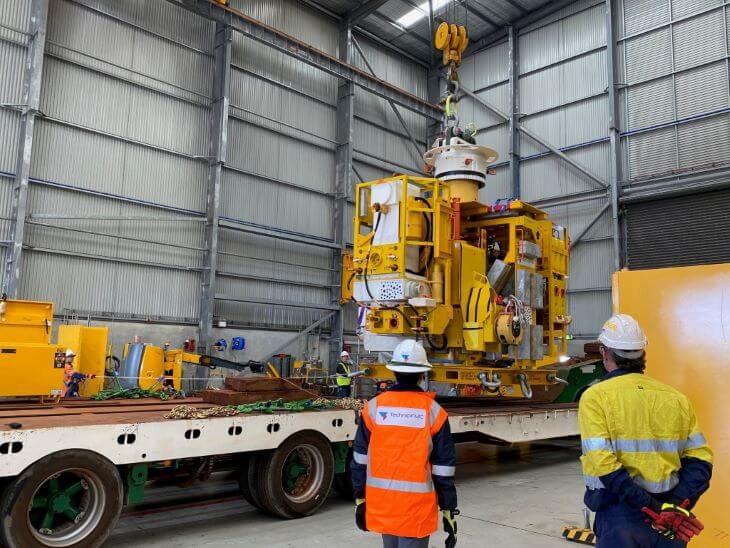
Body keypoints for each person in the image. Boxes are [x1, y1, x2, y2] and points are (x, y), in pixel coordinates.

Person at [579, 314, 713, 547]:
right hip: (670, 521)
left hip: (621, 518)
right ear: (642, 354)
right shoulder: (676, 398)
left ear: (605, 353)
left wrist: (653, 509)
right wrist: (676, 505)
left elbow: (604, 465)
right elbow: (701, 461)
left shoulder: (596, 397)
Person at [351, 339, 458, 548]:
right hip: (415, 511)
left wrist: (360, 499)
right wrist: (448, 510)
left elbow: (359, 460)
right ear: (422, 375)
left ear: (394, 372)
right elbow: (443, 469)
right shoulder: (434, 413)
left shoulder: (373, 408)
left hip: (382, 507)